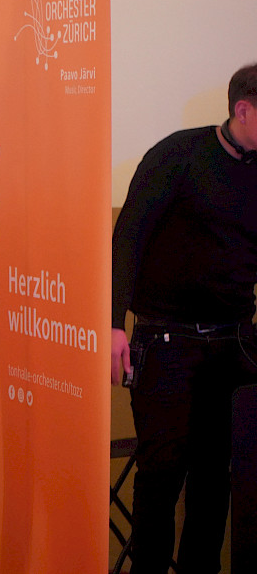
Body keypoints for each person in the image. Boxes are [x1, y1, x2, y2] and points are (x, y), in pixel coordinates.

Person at [111, 62, 257, 573]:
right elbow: (128, 236)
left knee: (215, 478)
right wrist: (113, 324)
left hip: (233, 342)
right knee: (161, 473)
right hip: (166, 340)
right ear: (243, 110)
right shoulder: (177, 154)